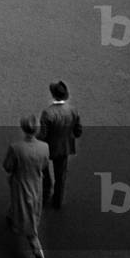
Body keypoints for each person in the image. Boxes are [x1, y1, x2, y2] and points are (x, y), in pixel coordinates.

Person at [3, 115, 50, 258]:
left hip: (21, 183)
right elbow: (43, 166)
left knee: (29, 222)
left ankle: (38, 253)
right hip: (36, 183)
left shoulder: (16, 147)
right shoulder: (44, 147)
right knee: (30, 207)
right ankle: (11, 215)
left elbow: (8, 166)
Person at [38, 80, 82, 210]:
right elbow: (78, 132)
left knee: (45, 172)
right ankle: (58, 201)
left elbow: (43, 135)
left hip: (48, 147)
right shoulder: (73, 111)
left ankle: (46, 194)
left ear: (53, 95)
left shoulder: (47, 113)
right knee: (60, 175)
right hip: (64, 147)